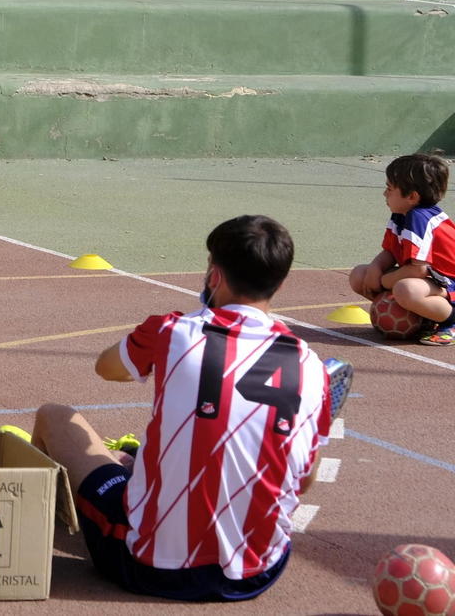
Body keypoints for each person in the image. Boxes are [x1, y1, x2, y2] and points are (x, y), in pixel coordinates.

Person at [32, 215, 337, 602]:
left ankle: (35, 523)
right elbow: (304, 480)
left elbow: (106, 368)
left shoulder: (171, 331)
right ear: (281, 282)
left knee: (56, 417)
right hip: (257, 573)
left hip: (150, 569)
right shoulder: (311, 366)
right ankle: (135, 469)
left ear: (214, 275)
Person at [347, 152, 455, 346]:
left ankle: (450, 321)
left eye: (389, 188)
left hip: (449, 281)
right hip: (433, 279)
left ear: (412, 197)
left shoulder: (420, 219)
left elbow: (418, 269)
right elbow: (390, 251)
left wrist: (382, 279)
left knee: (404, 289)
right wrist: (374, 268)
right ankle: (425, 318)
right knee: (359, 275)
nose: (384, 194)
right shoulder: (400, 214)